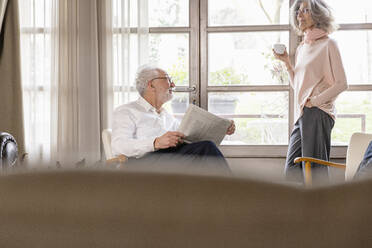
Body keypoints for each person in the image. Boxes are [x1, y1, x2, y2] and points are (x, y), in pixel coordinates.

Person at [273, 0, 348, 183]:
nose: (300, 14)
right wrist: (287, 63)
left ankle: (321, 211)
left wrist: (314, 101)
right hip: (303, 114)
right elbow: (298, 85)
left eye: (305, 10)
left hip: (318, 112)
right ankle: (298, 211)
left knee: (315, 173)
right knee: (292, 171)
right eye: (298, 11)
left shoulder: (329, 44)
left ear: (318, 14)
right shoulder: (301, 48)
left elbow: (341, 84)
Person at [111, 65, 235, 173]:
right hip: (143, 164)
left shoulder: (166, 115)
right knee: (206, 148)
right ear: (151, 84)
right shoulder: (127, 111)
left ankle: (222, 196)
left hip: (169, 159)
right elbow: (119, 146)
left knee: (205, 150)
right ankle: (234, 195)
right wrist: (155, 142)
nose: (173, 85)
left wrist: (221, 128)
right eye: (168, 79)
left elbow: (189, 137)